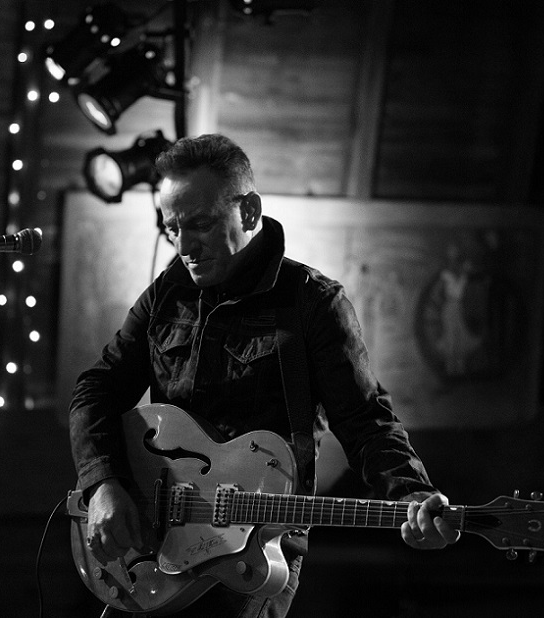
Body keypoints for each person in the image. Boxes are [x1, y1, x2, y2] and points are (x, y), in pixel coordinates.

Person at [69, 133, 459, 617]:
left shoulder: (313, 303)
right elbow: (96, 388)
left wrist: (412, 492)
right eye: (172, 228)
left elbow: (366, 421)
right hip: (155, 548)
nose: (184, 246)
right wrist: (103, 483)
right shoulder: (167, 293)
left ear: (249, 211)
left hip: (256, 552)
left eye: (200, 224)